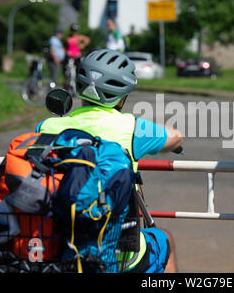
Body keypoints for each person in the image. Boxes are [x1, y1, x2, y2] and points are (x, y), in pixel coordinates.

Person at [36, 48, 183, 273]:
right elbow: (175, 137)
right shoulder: (131, 128)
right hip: (118, 252)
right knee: (165, 240)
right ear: (122, 96)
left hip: (57, 242)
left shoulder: (48, 127)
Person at [63, 23, 90, 91]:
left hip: (77, 56)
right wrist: (66, 52)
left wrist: (82, 45)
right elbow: (64, 47)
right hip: (70, 57)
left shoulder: (78, 37)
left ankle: (77, 87)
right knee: (67, 72)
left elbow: (87, 39)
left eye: (75, 30)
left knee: (79, 71)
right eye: (73, 30)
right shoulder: (68, 38)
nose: (74, 32)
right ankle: (66, 85)